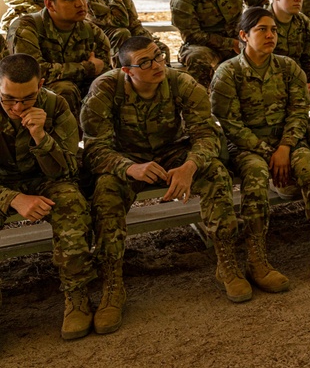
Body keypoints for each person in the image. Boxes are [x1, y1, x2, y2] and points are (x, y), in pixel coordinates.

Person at [81, 37, 252, 334]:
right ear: (126, 71)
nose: (156, 66)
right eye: (144, 63)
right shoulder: (105, 89)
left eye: (158, 57)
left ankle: (227, 262)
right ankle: (112, 286)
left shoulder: (180, 83)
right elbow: (95, 150)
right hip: (128, 157)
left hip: (173, 151)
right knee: (106, 191)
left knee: (214, 172)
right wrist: (129, 167)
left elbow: (207, 135)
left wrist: (190, 165)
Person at [211, 8, 310, 290]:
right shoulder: (228, 72)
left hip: (287, 139)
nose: (270, 35)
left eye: (273, 30)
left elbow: (298, 112)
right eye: (261, 30)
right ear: (244, 36)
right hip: (246, 146)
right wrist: (266, 150)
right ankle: (256, 260)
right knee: (256, 178)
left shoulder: (288, 67)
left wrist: (284, 147)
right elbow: (230, 124)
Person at [0, 54, 96, 340]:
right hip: (3, 185)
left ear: (40, 85)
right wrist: (13, 198)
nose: (17, 108)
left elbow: (67, 170)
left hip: (44, 179)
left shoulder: (55, 105)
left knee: (72, 203)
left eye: (27, 99)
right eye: (7, 99)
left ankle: (77, 295)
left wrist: (41, 136)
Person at [7, 0, 112, 115]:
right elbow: (31, 74)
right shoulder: (26, 28)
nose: (80, 3)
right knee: (65, 89)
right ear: (50, 4)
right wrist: (86, 68)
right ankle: (67, 136)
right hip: (32, 96)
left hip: (80, 90)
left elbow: (104, 70)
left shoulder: (92, 31)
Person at [170, 0, 267, 87]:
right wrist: (230, 43)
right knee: (197, 58)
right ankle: (204, 102)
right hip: (206, 46)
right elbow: (192, 35)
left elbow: (262, 5)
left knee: (268, 46)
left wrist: (251, 32)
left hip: (239, 38)